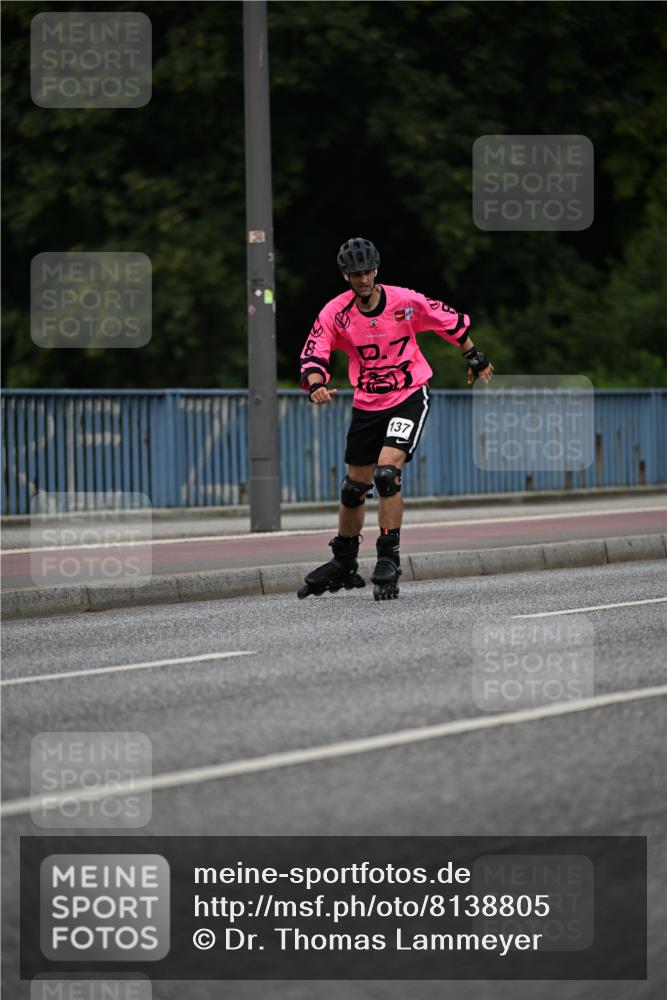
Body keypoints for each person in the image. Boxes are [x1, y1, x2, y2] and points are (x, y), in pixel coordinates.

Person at [297, 237, 494, 601]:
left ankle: (388, 558)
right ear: (345, 276)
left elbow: (449, 322)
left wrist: (475, 358)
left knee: (386, 474)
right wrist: (316, 384)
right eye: (355, 274)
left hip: (408, 395)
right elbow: (315, 352)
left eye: (367, 271)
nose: (362, 279)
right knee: (353, 488)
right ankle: (344, 560)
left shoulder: (404, 302)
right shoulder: (336, 312)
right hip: (367, 402)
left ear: (376, 271)